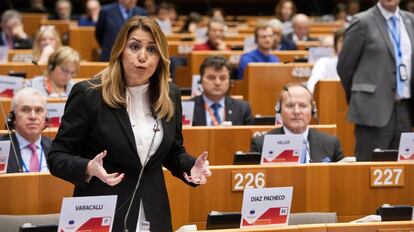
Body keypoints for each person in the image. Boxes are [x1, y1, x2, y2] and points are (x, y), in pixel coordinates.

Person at [47, 16, 211, 232]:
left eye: (152, 50)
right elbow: (57, 156)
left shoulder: (169, 95)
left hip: (153, 211)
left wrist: (190, 166)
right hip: (100, 211)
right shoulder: (89, 94)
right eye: (134, 46)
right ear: (120, 51)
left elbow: (173, 152)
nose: (143, 57)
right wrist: (88, 167)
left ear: (161, 57)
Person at [337, 0, 414, 161]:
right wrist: (362, 98)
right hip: (372, 110)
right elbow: (345, 66)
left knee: (403, 170)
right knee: (368, 170)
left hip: (405, 110)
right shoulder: (362, 21)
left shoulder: (410, 20)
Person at [251, 83, 344, 163]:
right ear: (279, 110)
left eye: (302, 106)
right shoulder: (261, 144)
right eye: (290, 106)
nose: (296, 111)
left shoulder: (331, 143)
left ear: (313, 110)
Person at [192, 56, 254, 126]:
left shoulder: (242, 108)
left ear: (230, 82)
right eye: (211, 78)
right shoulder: (186, 108)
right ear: (201, 80)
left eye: (223, 78)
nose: (217, 83)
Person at [5, 88, 51, 173]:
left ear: (46, 118)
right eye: (25, 110)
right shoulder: (2, 148)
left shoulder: (56, 148)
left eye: (38, 110)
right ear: (13, 117)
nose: (33, 116)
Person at [307, 29, 344, 93]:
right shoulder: (322, 62)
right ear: (336, 45)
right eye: (341, 41)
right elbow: (312, 87)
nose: (345, 44)